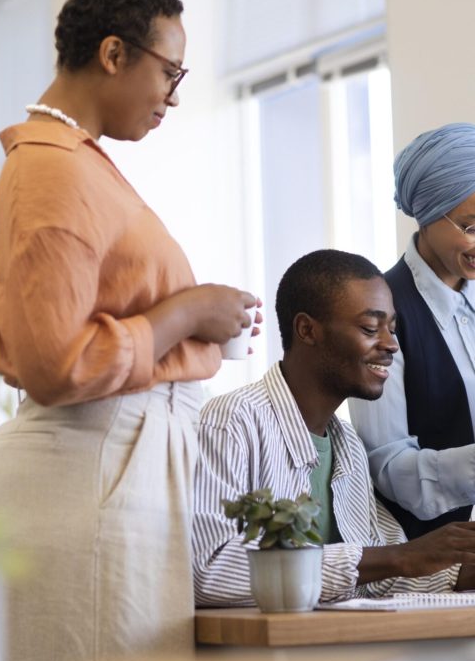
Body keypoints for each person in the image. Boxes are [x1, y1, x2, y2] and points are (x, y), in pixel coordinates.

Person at [0, 0, 257, 661]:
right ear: (113, 54)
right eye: (170, 72)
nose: (174, 97)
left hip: (109, 471)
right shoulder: (53, 170)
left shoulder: (78, 164)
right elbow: (55, 362)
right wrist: (189, 310)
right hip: (90, 474)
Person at [193, 250, 475, 607]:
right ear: (307, 330)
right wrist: (398, 557)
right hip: (255, 645)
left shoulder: (349, 447)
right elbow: (208, 569)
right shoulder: (231, 423)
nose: (391, 344)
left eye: (392, 328)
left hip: (334, 641)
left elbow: (379, 574)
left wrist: (458, 570)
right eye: (370, 328)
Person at [349, 123, 475, 539]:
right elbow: (388, 467)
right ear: (427, 214)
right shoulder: (381, 315)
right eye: (471, 227)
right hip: (431, 554)